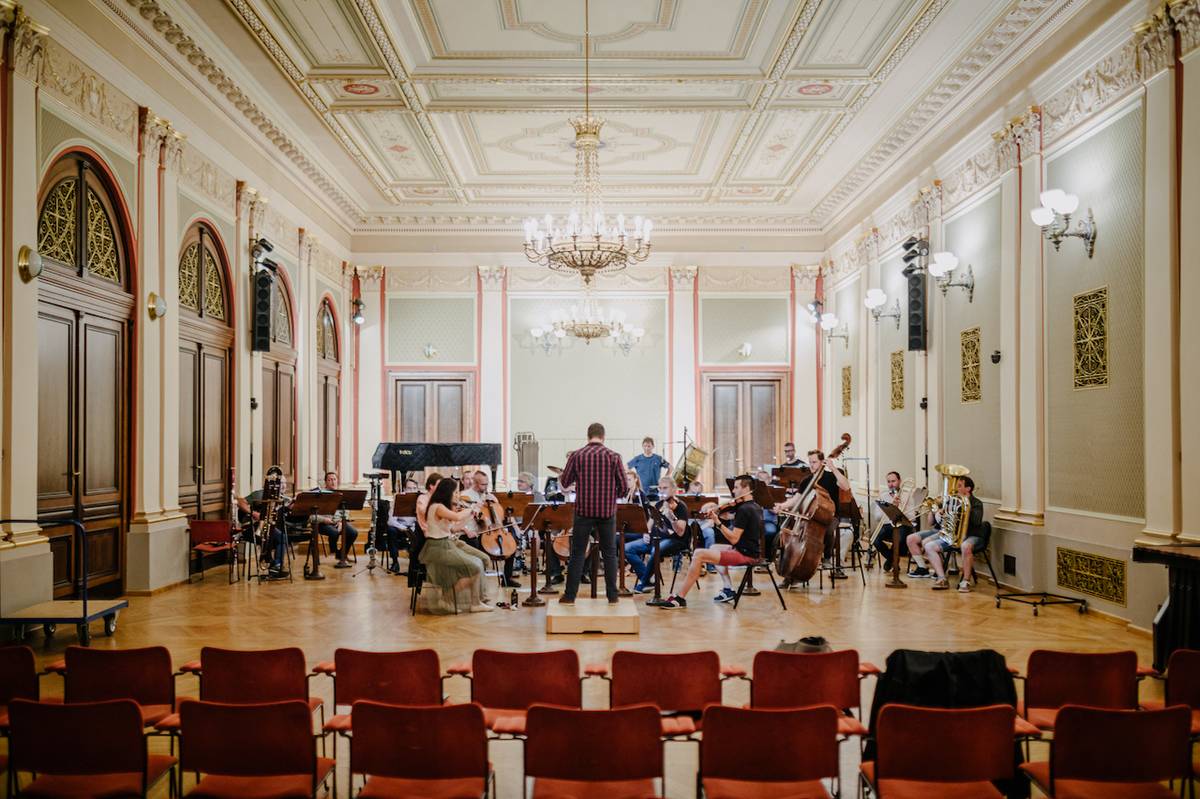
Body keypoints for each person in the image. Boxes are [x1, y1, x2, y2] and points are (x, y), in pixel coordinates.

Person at [659, 475, 762, 608]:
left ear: (746, 488)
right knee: (713, 547)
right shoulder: (754, 506)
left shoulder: (744, 510)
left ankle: (680, 598)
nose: (733, 491)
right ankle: (728, 589)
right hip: (749, 549)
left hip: (746, 554)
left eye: (736, 487)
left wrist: (717, 522)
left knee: (698, 554)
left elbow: (734, 538)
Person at [558, 422, 629, 604]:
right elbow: (623, 489)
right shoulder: (614, 457)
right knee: (609, 554)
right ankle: (612, 596)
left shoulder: (577, 455)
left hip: (583, 511)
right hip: (607, 512)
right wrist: (611, 494)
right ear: (603, 436)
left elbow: (565, 482)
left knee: (578, 553)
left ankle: (569, 596)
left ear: (588, 436)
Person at [418, 477, 495, 613]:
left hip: (445, 543)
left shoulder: (441, 506)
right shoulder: (437, 507)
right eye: (455, 493)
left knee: (479, 561)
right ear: (447, 492)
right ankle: (452, 599)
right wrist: (471, 508)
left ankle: (476, 600)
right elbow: (457, 517)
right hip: (439, 547)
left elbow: (454, 528)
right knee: (475, 566)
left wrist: (471, 515)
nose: (457, 496)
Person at [774, 449, 849, 576]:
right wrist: (782, 505)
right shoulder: (807, 480)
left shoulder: (830, 477)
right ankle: (794, 568)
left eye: (814, 462)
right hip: (810, 517)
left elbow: (846, 486)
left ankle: (827, 558)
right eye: (810, 462)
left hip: (830, 516)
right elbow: (796, 499)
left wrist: (833, 468)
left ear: (822, 462)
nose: (811, 465)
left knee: (828, 529)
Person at [907, 476, 985, 591]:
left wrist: (963, 508)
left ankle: (966, 581)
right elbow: (937, 523)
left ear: (968, 489)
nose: (955, 488)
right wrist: (942, 514)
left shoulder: (977, 503)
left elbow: (976, 521)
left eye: (959, 486)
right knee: (929, 546)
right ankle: (942, 578)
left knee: (965, 546)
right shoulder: (951, 501)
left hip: (971, 535)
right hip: (954, 535)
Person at [625, 477, 690, 593]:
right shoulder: (659, 504)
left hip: (674, 540)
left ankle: (644, 583)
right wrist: (646, 532)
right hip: (655, 539)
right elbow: (650, 523)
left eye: (665, 488)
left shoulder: (681, 506)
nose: (662, 490)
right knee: (627, 548)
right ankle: (648, 580)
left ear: (674, 489)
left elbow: (680, 532)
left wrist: (672, 518)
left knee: (655, 551)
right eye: (660, 488)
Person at [462, 469, 520, 588]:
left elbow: (499, 516)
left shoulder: (490, 496)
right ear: (475, 483)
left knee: (512, 543)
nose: (486, 486)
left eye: (487, 484)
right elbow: (464, 517)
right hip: (475, 531)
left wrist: (495, 503)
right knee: (474, 543)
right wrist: (478, 508)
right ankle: (478, 582)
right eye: (483, 484)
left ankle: (507, 578)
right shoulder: (465, 496)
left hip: (492, 530)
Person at [237, 465, 290, 579]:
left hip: (269, 529)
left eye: (285, 483)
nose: (284, 486)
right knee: (282, 538)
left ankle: (273, 565)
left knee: (280, 538)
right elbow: (240, 502)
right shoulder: (260, 494)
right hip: (252, 528)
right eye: (281, 483)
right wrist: (253, 513)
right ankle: (276, 566)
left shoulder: (284, 499)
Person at [314, 471, 358, 569]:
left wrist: (342, 522)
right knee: (334, 532)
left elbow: (346, 511)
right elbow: (312, 515)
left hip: (338, 522)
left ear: (337, 481)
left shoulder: (341, 493)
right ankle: (334, 551)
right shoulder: (320, 494)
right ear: (326, 482)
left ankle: (341, 554)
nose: (332, 482)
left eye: (334, 479)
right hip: (323, 523)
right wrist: (324, 519)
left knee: (353, 532)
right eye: (329, 480)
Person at [872, 471, 909, 571]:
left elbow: (911, 516)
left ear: (899, 481)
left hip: (902, 525)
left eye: (893, 481)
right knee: (875, 539)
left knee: (900, 540)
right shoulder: (883, 496)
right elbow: (877, 517)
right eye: (888, 481)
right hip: (888, 525)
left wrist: (899, 507)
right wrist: (890, 507)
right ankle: (892, 559)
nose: (891, 484)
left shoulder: (907, 496)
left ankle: (891, 560)